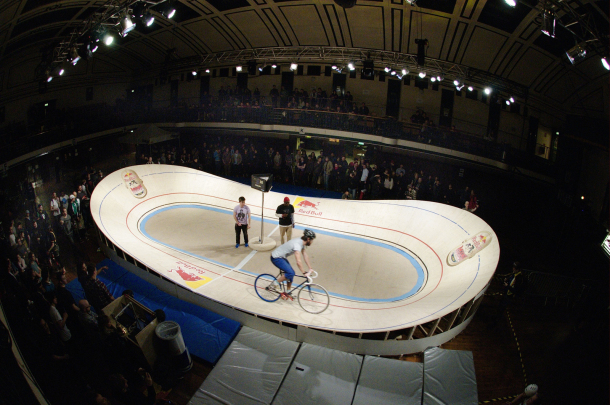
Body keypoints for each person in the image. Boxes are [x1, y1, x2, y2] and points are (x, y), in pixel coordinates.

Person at [269, 229, 315, 300]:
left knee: (291, 274)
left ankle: (288, 291)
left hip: (281, 256)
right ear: (308, 239)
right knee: (291, 273)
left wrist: (310, 268)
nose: (312, 242)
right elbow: (298, 261)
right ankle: (275, 283)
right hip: (276, 257)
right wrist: (304, 272)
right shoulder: (297, 245)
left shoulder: (302, 242)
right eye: (312, 240)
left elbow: (305, 255)